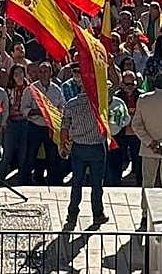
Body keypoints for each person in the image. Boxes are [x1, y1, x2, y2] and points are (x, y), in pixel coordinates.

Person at [59, 67, 108, 229]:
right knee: (96, 184)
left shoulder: (71, 104)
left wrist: (64, 145)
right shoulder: (98, 104)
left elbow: (64, 126)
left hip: (78, 147)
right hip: (96, 147)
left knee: (77, 182)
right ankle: (98, 213)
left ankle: (72, 213)